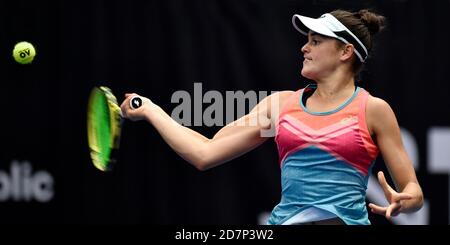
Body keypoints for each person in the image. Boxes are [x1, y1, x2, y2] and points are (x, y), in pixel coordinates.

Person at [120, 9, 423, 225]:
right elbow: (205, 152)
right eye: (307, 40)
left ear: (345, 52)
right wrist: (151, 109)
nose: (304, 47)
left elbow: (413, 191)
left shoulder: (374, 110)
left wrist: (404, 201)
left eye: (316, 41)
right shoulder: (279, 106)